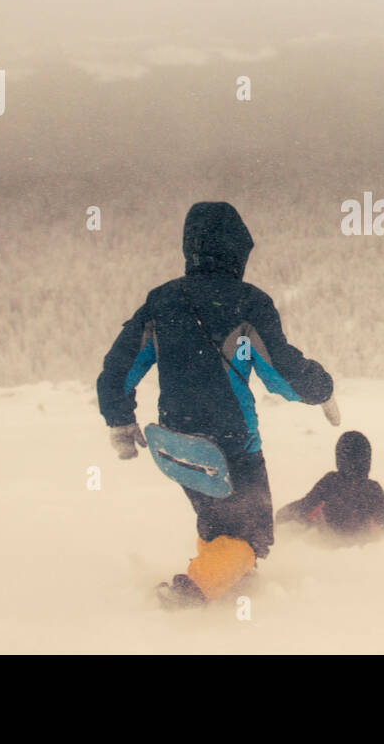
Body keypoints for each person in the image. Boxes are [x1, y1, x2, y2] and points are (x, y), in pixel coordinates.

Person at [96, 201, 339, 606]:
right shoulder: (248, 303)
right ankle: (188, 595)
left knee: (216, 519)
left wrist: (120, 421)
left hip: (173, 445)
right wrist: (323, 389)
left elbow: (117, 368)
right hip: (231, 446)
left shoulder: (162, 301)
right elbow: (280, 373)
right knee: (254, 534)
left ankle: (224, 578)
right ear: (238, 250)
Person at [276, 431, 384, 540]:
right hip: (360, 545)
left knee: (313, 514)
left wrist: (280, 515)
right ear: (367, 461)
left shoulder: (330, 481)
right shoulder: (372, 489)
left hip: (328, 541)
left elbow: (304, 505)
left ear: (339, 459)